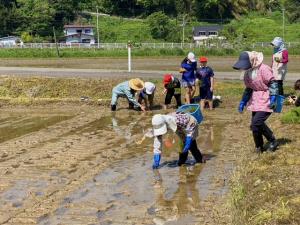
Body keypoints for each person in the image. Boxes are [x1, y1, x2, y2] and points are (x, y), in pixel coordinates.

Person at [233, 51, 279, 153]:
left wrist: (273, 97)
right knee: (254, 126)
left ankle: (272, 141)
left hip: (266, 97)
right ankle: (259, 146)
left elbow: (273, 83)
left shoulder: (264, 69)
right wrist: (243, 101)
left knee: (257, 122)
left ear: (252, 60)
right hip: (255, 99)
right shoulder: (248, 72)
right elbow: (249, 89)